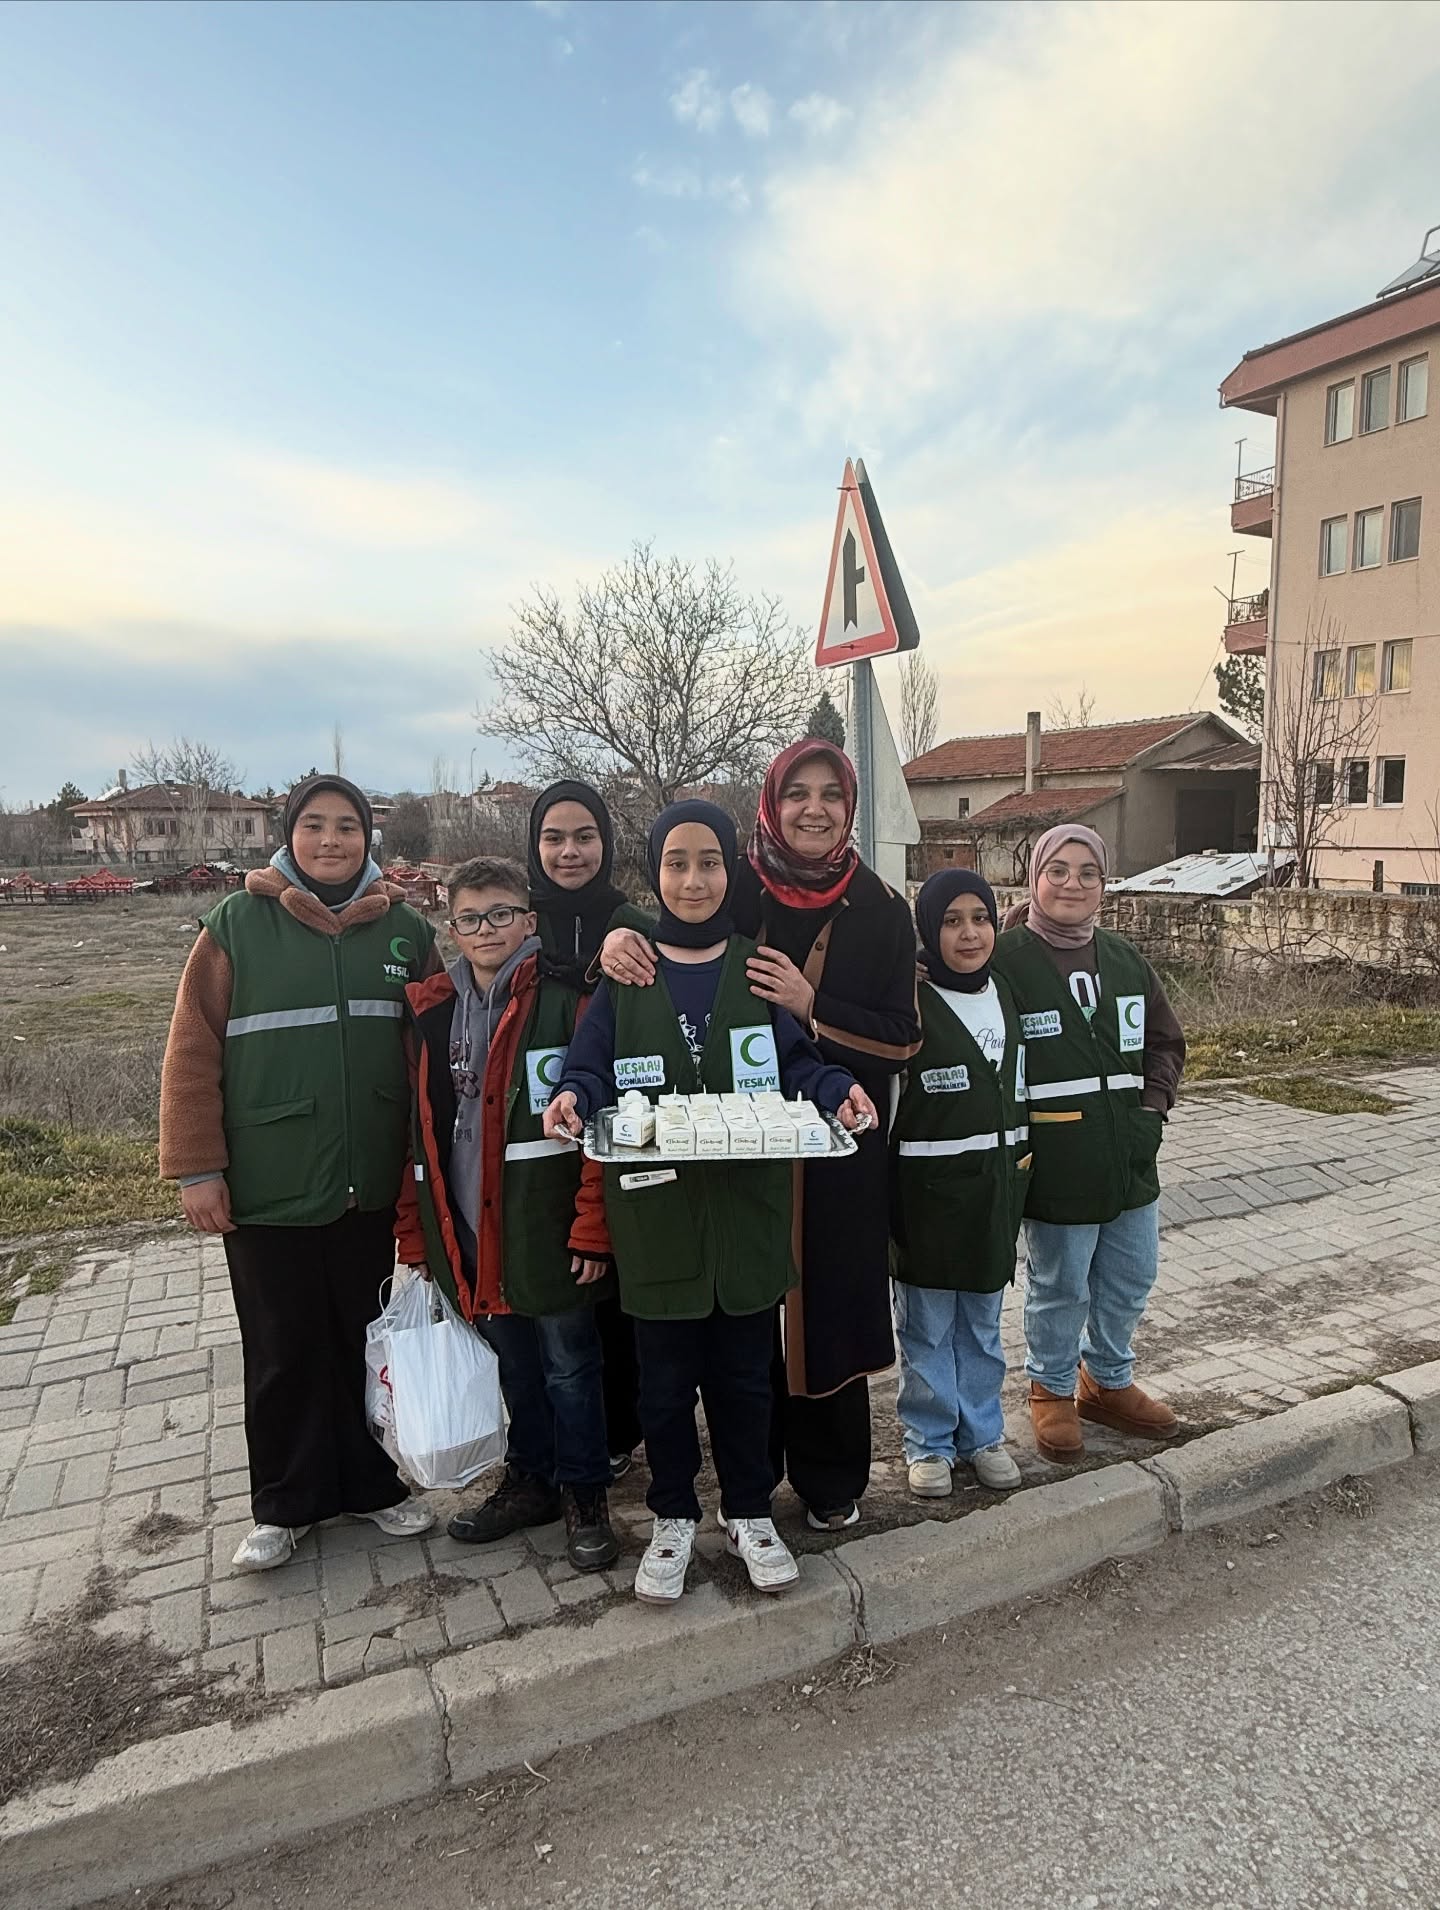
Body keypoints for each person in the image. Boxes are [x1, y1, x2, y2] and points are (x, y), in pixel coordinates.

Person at [545, 800, 877, 1604]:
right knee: (662, 1389)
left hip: (746, 1225)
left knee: (744, 1381)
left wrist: (839, 1090)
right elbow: (588, 1068)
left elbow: (800, 1064)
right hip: (658, 1228)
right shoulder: (627, 976)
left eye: (709, 862)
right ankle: (670, 1517)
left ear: (733, 871)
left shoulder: (753, 968)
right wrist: (570, 1100)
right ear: (654, 873)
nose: (693, 879)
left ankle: (750, 1511)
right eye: (677, 862)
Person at [599, 743, 920, 1529]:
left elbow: (907, 1038)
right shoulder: (740, 886)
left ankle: (830, 1478)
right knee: (747, 1314)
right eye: (798, 795)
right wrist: (620, 938)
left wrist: (815, 1009)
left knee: (828, 1309)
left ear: (851, 806)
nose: (814, 810)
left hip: (838, 1142)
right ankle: (750, 1481)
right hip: (736, 1143)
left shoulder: (882, 907)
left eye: (831, 796)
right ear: (772, 807)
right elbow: (680, 926)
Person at [159, 775, 439, 1570]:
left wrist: (424, 1165)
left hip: (369, 1183)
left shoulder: (407, 932)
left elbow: (431, 1057)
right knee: (282, 1348)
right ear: (289, 836)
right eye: (314, 826)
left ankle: (373, 1489)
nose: (331, 841)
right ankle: (284, 1504)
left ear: (368, 839)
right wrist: (196, 1168)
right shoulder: (235, 927)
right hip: (267, 1185)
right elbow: (190, 1054)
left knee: (362, 1340)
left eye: (347, 827)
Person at [394, 855, 618, 1572]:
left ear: (528, 920)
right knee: (513, 1365)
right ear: (450, 928)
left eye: (500, 914)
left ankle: (586, 1494)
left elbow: (600, 1122)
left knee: (570, 1367)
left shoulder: (566, 997)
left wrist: (591, 1224)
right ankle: (532, 1480)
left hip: (547, 1226)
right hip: (468, 1227)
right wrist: (416, 1232)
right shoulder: (431, 1009)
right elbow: (417, 1131)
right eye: (469, 918)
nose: (485, 929)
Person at [991, 824, 1186, 1464]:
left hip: (1129, 1150)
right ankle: (1049, 1388)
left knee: (1132, 1274)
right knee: (1061, 1282)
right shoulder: (1004, 958)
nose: (1072, 884)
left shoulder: (1126, 959)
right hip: (1057, 1159)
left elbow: (1165, 1042)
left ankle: (1106, 1378)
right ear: (1035, 877)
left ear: (1104, 885)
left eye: (1088, 873)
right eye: (1059, 870)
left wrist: (1152, 1109)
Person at [890, 872, 1030, 1498]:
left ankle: (983, 1435)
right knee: (926, 1329)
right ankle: (929, 1442)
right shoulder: (910, 1004)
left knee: (981, 1325)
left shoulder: (1007, 992)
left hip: (993, 1200)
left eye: (980, 917)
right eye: (951, 921)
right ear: (928, 931)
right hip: (927, 1203)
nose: (969, 933)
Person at [525, 781, 645, 1477]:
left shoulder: (630, 922)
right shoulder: (519, 923)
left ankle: (621, 1432)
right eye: (554, 838)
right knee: (556, 1287)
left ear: (606, 843)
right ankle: (553, 1433)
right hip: (542, 1140)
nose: (569, 853)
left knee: (619, 1292)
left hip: (623, 1127)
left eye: (584, 837)